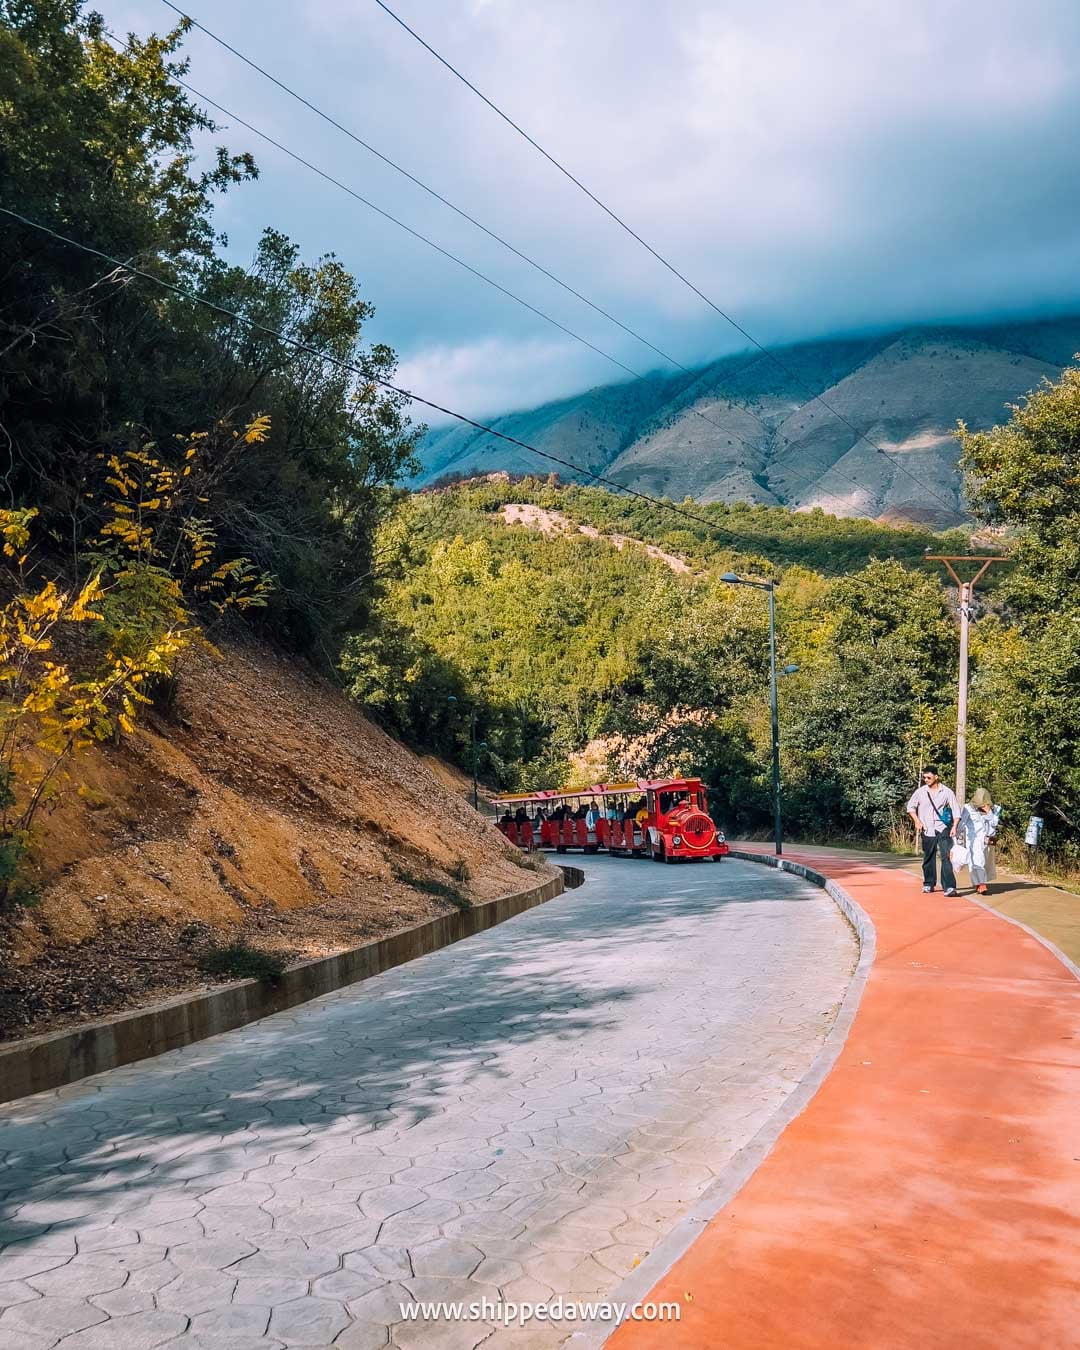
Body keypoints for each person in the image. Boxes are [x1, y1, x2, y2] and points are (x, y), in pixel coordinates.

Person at [906, 766, 961, 895]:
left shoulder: (947, 792)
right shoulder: (920, 792)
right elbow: (910, 807)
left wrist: (954, 826)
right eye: (924, 777)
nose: (926, 780)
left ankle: (949, 887)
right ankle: (929, 883)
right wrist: (916, 820)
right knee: (928, 857)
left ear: (936, 777)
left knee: (946, 856)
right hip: (927, 828)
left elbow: (956, 811)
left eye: (928, 777)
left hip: (943, 828)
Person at [960, 788, 1002, 895]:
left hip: (988, 840)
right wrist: (956, 835)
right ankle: (981, 884)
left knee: (987, 862)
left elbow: (994, 823)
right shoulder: (968, 808)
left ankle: (980, 882)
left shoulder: (995, 808)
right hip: (974, 839)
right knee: (977, 861)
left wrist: (989, 811)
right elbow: (962, 823)